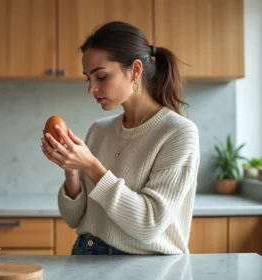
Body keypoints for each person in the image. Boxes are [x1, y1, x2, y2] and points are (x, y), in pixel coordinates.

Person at [41, 21, 200, 255]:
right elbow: (74, 219)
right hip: (86, 254)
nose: (91, 88)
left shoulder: (178, 132)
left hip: (146, 267)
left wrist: (92, 167)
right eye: (88, 79)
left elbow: (149, 224)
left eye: (101, 76)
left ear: (135, 70)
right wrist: (72, 169)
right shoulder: (99, 130)